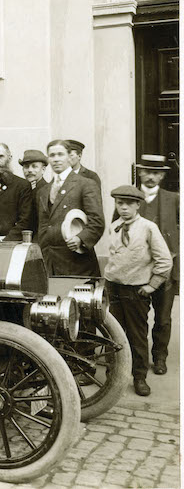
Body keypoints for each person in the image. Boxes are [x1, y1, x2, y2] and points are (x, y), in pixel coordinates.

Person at [103, 185, 172, 397]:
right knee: (112, 335)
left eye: (128, 204)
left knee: (136, 335)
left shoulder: (148, 227)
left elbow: (165, 260)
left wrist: (152, 285)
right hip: (113, 288)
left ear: (137, 205)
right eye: (119, 203)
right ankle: (113, 375)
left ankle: (139, 377)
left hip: (136, 291)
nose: (123, 208)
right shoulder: (114, 226)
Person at [133, 154, 179, 375]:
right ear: (140, 172)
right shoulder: (130, 197)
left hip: (165, 270)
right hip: (137, 270)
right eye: (147, 172)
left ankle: (160, 356)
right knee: (138, 319)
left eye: (156, 173)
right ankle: (137, 359)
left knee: (163, 317)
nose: (151, 177)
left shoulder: (174, 199)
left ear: (162, 175)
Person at [36, 140, 104, 277]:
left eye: (60, 154)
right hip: (49, 264)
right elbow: (44, 226)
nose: (56, 159)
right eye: (52, 155)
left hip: (76, 263)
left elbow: (97, 221)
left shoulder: (85, 184)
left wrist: (81, 239)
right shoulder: (43, 191)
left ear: (69, 156)